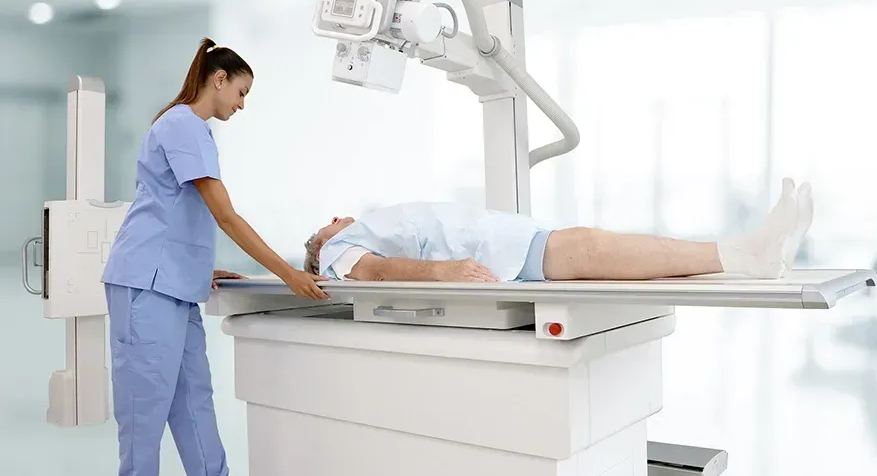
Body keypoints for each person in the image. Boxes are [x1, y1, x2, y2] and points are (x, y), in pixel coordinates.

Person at [101, 38, 328, 476]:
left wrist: (196, 270)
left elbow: (174, 212)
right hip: (145, 284)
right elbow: (223, 214)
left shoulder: (193, 129)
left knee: (193, 397)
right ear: (218, 79)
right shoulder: (183, 123)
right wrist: (289, 272)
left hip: (176, 284)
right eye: (241, 92)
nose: (241, 105)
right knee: (145, 404)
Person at [302, 178, 813, 283]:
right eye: (322, 231)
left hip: (512, 241)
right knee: (596, 246)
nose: (332, 222)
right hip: (504, 255)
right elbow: (375, 274)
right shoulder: (340, 249)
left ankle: (749, 250)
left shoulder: (364, 227)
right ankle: (748, 253)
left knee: (598, 242)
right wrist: (445, 272)